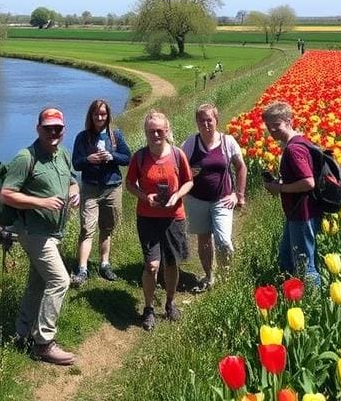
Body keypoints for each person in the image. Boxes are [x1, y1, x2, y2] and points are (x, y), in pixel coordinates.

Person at [0, 107, 81, 365]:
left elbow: (71, 180)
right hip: (33, 233)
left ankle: (21, 332)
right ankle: (44, 343)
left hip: (53, 232)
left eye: (58, 128)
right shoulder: (26, 158)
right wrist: (41, 202)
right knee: (60, 281)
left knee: (38, 283)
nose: (53, 133)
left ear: (64, 130)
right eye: (48, 128)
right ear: (38, 129)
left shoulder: (63, 155)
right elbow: (6, 194)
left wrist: (75, 190)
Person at [125, 110, 194, 331]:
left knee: (172, 263)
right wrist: (147, 197)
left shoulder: (177, 154)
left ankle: (170, 302)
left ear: (166, 131)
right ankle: (148, 308)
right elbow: (130, 184)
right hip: (148, 217)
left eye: (159, 130)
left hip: (174, 217)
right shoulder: (140, 157)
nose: (155, 134)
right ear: (145, 132)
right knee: (152, 265)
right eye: (151, 131)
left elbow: (189, 182)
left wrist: (177, 195)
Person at [180, 103, 247, 293]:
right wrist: (189, 174)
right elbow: (179, 167)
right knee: (204, 239)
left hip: (223, 199)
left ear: (216, 120)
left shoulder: (228, 142)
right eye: (201, 120)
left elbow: (241, 167)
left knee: (224, 241)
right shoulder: (191, 143)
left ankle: (225, 278)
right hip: (196, 200)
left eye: (209, 120)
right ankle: (209, 275)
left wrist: (238, 195)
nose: (206, 124)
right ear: (197, 122)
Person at [70, 99, 131, 286]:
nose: (99, 117)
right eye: (96, 114)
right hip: (90, 188)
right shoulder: (82, 137)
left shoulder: (116, 136)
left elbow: (127, 158)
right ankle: (82, 269)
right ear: (91, 116)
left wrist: (111, 156)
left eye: (103, 114)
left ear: (108, 116)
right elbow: (76, 163)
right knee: (87, 229)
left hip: (112, 187)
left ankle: (105, 264)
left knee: (107, 228)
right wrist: (89, 159)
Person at [262, 101, 321, 284]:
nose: (272, 130)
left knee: (304, 265)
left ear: (289, 121)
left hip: (302, 214)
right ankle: (288, 290)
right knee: (287, 257)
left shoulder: (294, 149)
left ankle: (313, 304)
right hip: (297, 212)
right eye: (269, 127)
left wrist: (279, 188)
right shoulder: (300, 141)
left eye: (276, 125)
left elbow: (308, 182)